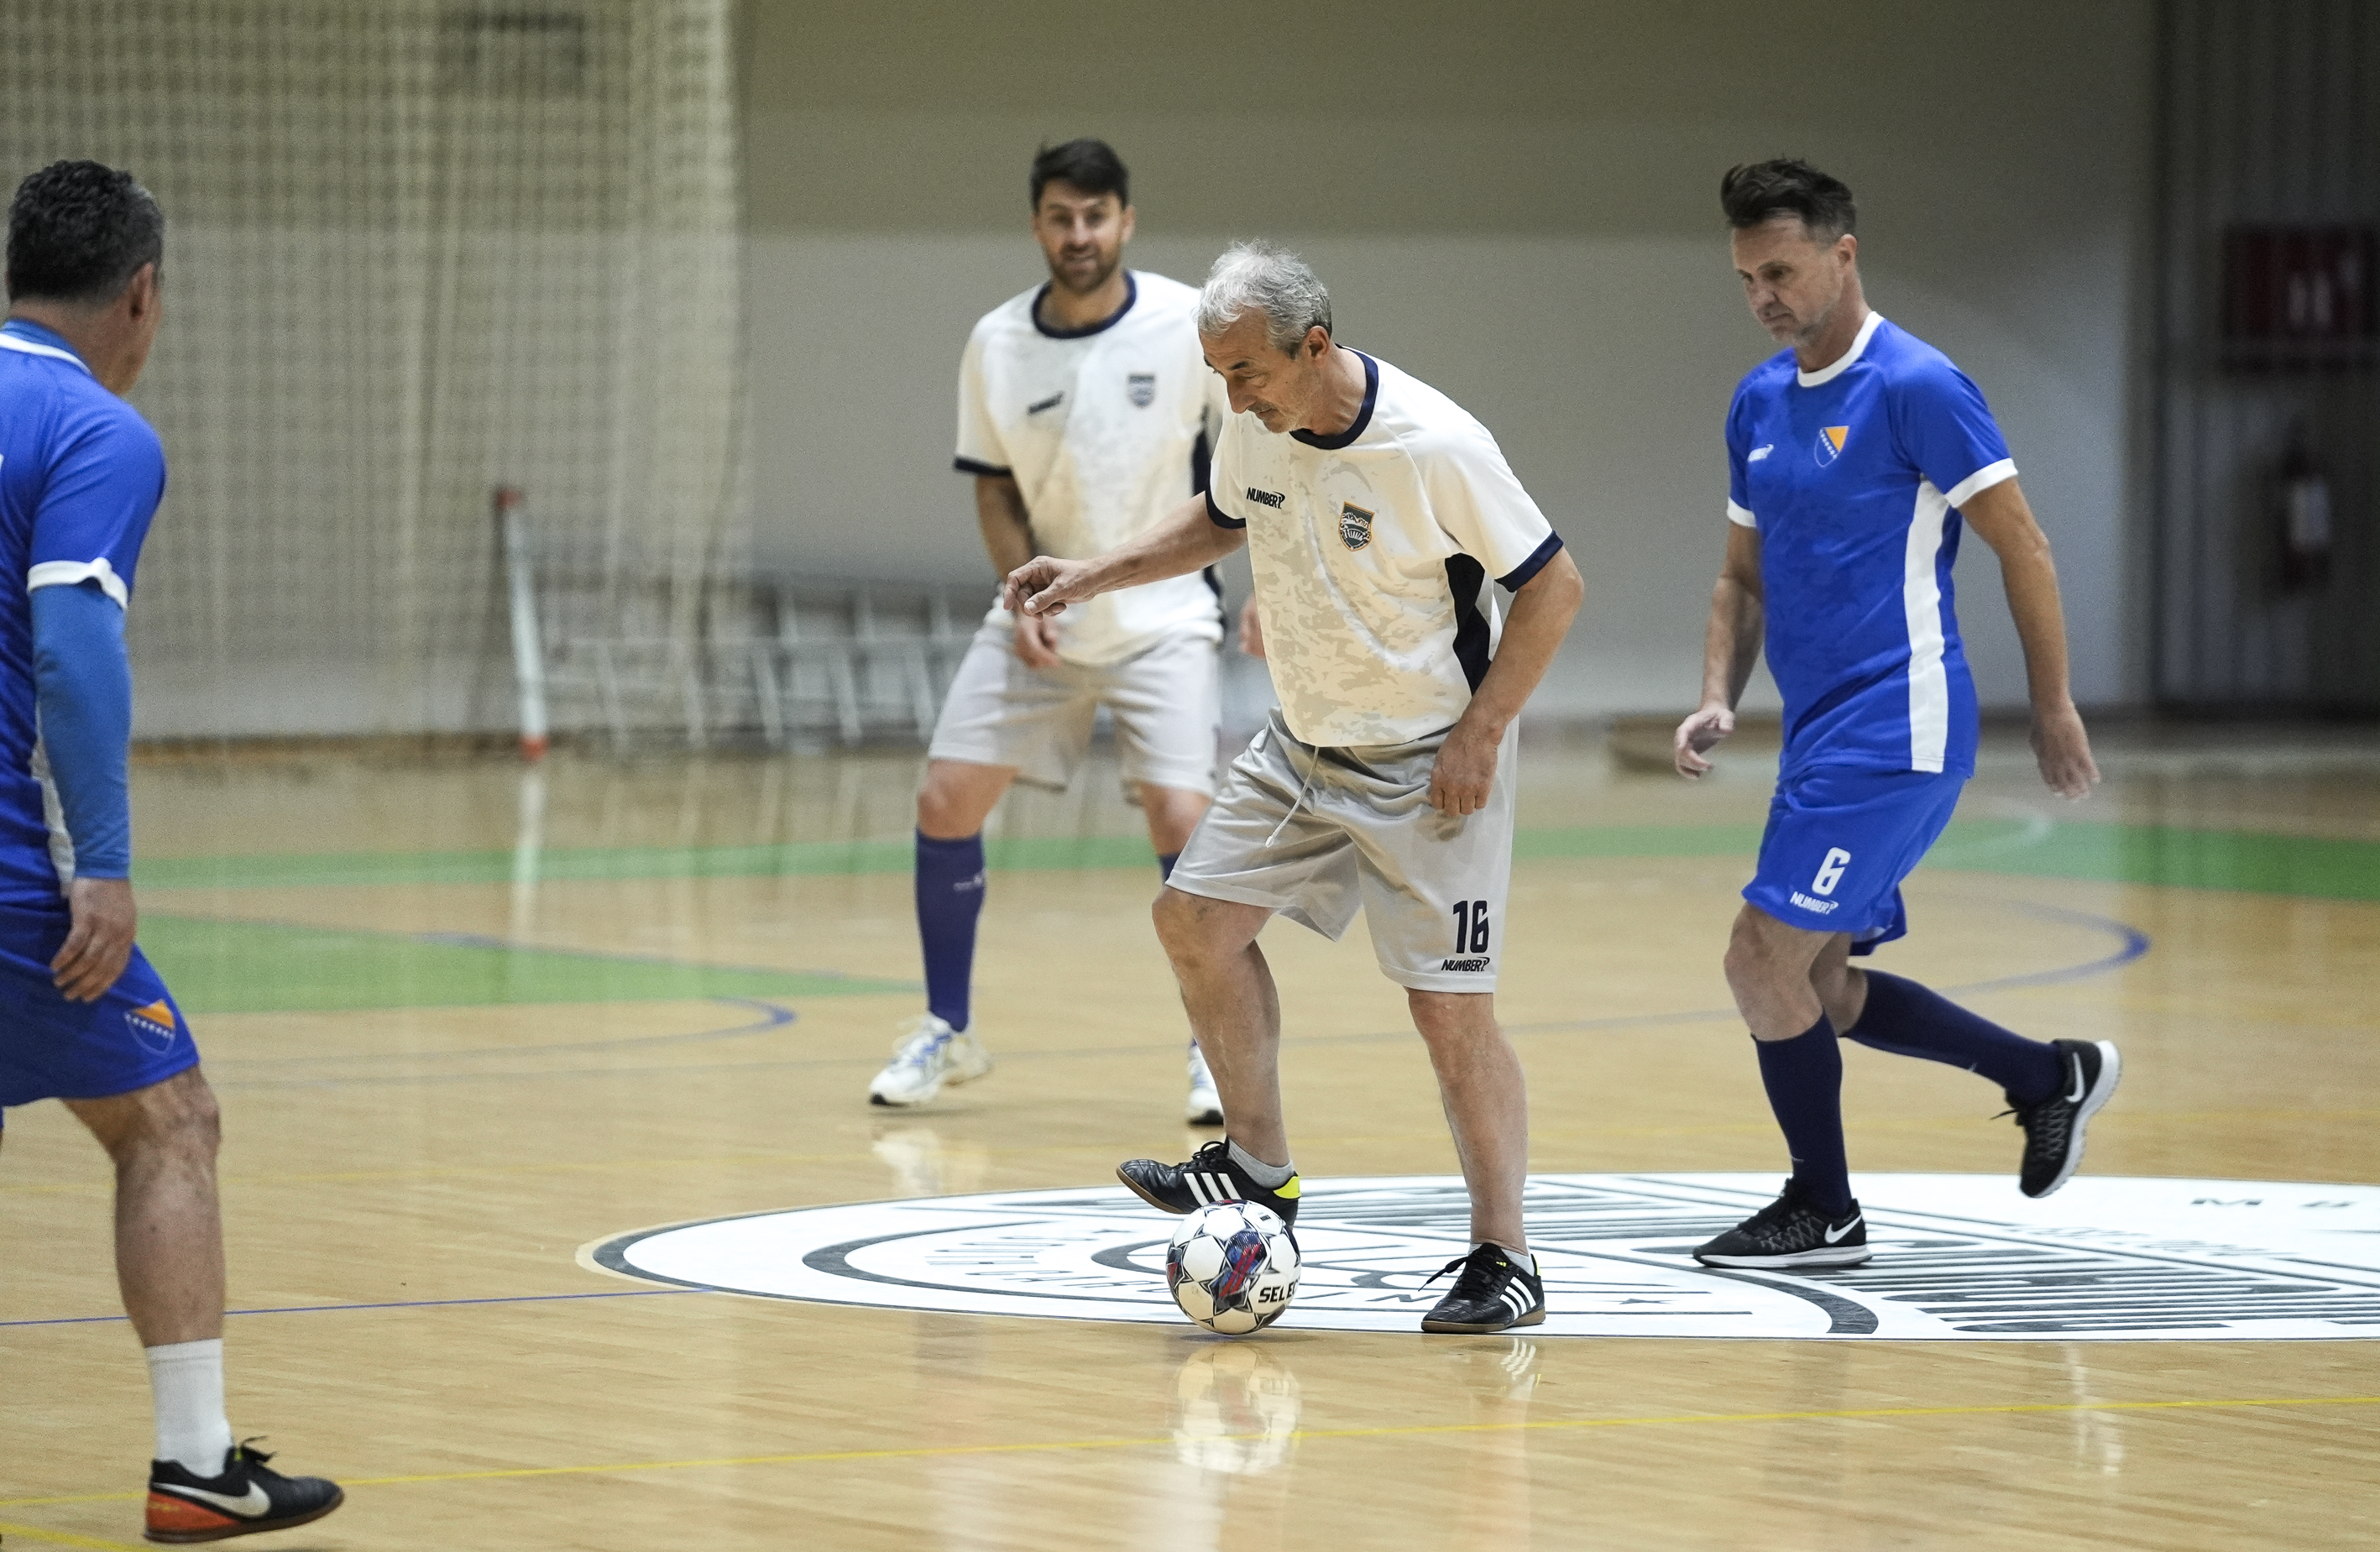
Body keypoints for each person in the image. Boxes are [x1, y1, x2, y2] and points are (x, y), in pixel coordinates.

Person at [1007, 241, 1584, 1334]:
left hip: (1426, 764)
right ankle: (1257, 1168)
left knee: (1446, 1014)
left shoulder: (1435, 447)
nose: (1231, 394)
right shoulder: (1256, 420)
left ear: (1312, 345)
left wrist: (1483, 729)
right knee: (1192, 922)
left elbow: (1554, 585)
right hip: (1299, 745)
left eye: (1244, 373)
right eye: (1219, 375)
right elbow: (1221, 516)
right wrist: (1086, 573)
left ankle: (1505, 1254)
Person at [1673, 159, 2119, 1270]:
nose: (1763, 295)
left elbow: (2024, 544)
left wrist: (2051, 704)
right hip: (1817, 735)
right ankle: (2043, 1074)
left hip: (1898, 729)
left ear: (1840, 254)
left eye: (1778, 270)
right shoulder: (1757, 401)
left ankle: (1820, 1206)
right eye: (1744, 278)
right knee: (1815, 984)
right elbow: (1738, 577)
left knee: (1757, 960)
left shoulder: (1917, 386)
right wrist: (1715, 694)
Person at [0, 161, 342, 1540]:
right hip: (11, 873)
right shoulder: (94, 427)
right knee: (170, 1117)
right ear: (141, 294)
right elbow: (76, 646)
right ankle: (196, 1462)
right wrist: (108, 862)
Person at [871, 138, 1233, 1123]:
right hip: (1042, 611)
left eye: (1097, 216)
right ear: (1037, 223)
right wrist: (1019, 594)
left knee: (1181, 817)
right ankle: (949, 1028)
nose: (1080, 235)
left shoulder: (1183, 323)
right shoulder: (996, 342)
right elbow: (993, 490)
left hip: (1163, 613)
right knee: (945, 796)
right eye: (1061, 217)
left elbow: (1247, 466)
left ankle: (1216, 1047)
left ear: (1127, 220)